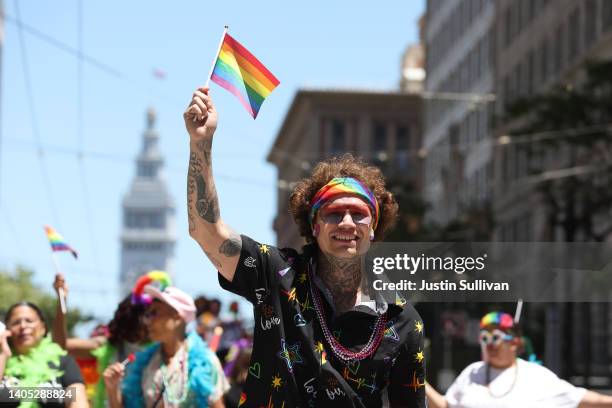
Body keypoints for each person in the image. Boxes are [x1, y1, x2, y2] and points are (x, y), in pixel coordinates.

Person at [184, 87, 426, 407]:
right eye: (334, 213)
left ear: (374, 229)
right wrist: (201, 142)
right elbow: (206, 231)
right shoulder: (277, 274)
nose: (347, 223)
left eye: (360, 214)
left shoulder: (403, 319)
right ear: (314, 226)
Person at [426, 311, 612, 408]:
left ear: (514, 343)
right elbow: (445, 406)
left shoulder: (535, 376)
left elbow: (582, 399)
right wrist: (415, 377)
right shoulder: (472, 372)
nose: (489, 344)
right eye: (485, 337)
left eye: (496, 337)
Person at [103, 285, 229, 407]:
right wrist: (112, 388)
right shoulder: (143, 363)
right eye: (147, 315)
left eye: (154, 313)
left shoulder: (205, 362)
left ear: (177, 316)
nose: (148, 321)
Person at [52, 274, 149, 408]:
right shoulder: (108, 345)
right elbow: (59, 347)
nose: (152, 319)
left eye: (156, 313)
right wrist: (61, 302)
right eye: (149, 314)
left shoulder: (162, 349)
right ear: (131, 316)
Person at [0, 301, 88, 407]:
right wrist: (3, 355)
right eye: (16, 322)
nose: (23, 326)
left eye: (29, 321)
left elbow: (78, 402)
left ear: (43, 328)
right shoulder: (2, 361)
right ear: (7, 330)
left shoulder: (63, 363)